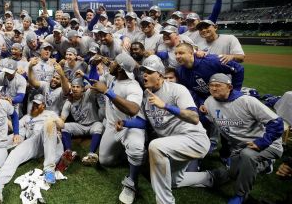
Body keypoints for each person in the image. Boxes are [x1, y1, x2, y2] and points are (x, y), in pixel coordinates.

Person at [184, 73, 284, 204]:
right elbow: (206, 121)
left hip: (267, 144)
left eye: (218, 85)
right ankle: (265, 166)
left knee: (248, 156)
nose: (213, 88)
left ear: (229, 87)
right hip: (240, 147)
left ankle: (241, 195)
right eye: (211, 85)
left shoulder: (247, 101)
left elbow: (276, 122)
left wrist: (262, 142)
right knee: (233, 174)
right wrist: (200, 114)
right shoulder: (209, 102)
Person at [139, 56, 210, 204]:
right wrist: (124, 123)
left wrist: (165, 106)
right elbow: (143, 122)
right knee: (172, 181)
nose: (144, 74)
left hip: (194, 139)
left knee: (156, 146)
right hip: (174, 145)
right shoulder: (147, 95)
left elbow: (194, 117)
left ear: (160, 74)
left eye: (149, 71)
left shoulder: (177, 89)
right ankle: (212, 177)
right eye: (143, 71)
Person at [0, 94, 65, 203]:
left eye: (38, 104)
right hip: (35, 141)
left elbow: (62, 125)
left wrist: (55, 121)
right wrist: (5, 114)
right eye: (34, 103)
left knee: (49, 123)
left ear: (43, 106)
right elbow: (14, 126)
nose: (35, 106)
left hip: (52, 141)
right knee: (15, 154)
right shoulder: (27, 117)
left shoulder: (50, 113)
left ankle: (49, 169)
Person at [89, 53, 144, 204]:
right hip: (113, 125)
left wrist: (107, 92)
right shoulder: (112, 77)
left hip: (130, 126)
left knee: (136, 147)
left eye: (114, 63)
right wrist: (93, 65)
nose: (110, 64)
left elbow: (133, 109)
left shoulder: (133, 86)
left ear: (119, 68)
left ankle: (132, 181)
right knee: (105, 161)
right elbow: (94, 82)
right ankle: (131, 158)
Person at [60, 77, 103, 166]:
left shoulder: (88, 94)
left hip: (93, 124)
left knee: (99, 125)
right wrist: (58, 128)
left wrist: (87, 79)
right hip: (80, 126)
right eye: (73, 86)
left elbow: (95, 84)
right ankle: (68, 152)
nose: (75, 89)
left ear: (83, 88)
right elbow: (62, 119)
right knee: (65, 126)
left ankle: (91, 154)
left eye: (78, 87)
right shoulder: (69, 102)